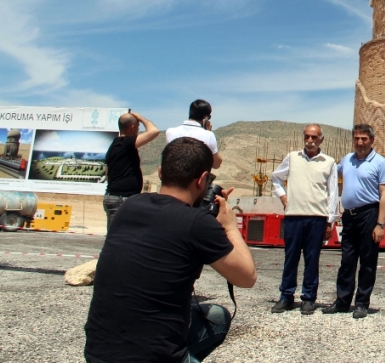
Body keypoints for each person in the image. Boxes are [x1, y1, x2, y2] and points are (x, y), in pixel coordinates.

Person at [84, 137, 256, 363]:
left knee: (215, 315)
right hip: (153, 357)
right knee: (217, 317)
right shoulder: (197, 224)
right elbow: (247, 277)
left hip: (99, 353)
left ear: (160, 172)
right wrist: (230, 227)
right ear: (203, 179)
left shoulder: (129, 207)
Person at [322, 124, 385, 319]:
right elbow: (331, 175)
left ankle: (362, 303)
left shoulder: (380, 163)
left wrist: (380, 224)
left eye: (364, 139)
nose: (360, 142)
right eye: (357, 139)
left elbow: (384, 195)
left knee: (367, 261)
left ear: (371, 141)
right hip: (349, 216)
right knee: (347, 261)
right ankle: (342, 301)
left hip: (369, 214)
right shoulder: (347, 160)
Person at [270, 124, 339, 315]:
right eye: (307, 136)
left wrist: (329, 221)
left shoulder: (329, 162)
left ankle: (308, 298)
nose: (310, 140)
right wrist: (283, 196)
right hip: (293, 216)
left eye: (314, 137)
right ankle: (286, 296)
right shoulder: (292, 158)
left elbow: (333, 193)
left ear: (321, 140)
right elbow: (276, 178)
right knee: (290, 257)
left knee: (312, 259)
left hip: (317, 218)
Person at [103, 111, 160, 229]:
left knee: (116, 237)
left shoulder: (116, 145)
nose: (138, 131)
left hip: (116, 197)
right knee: (120, 238)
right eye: (138, 127)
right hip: (121, 199)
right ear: (132, 128)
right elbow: (154, 131)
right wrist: (140, 117)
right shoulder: (125, 143)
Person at [166, 99, 222, 169]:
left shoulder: (170, 132)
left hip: (174, 176)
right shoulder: (208, 135)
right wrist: (207, 132)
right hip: (197, 178)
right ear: (205, 118)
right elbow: (216, 164)